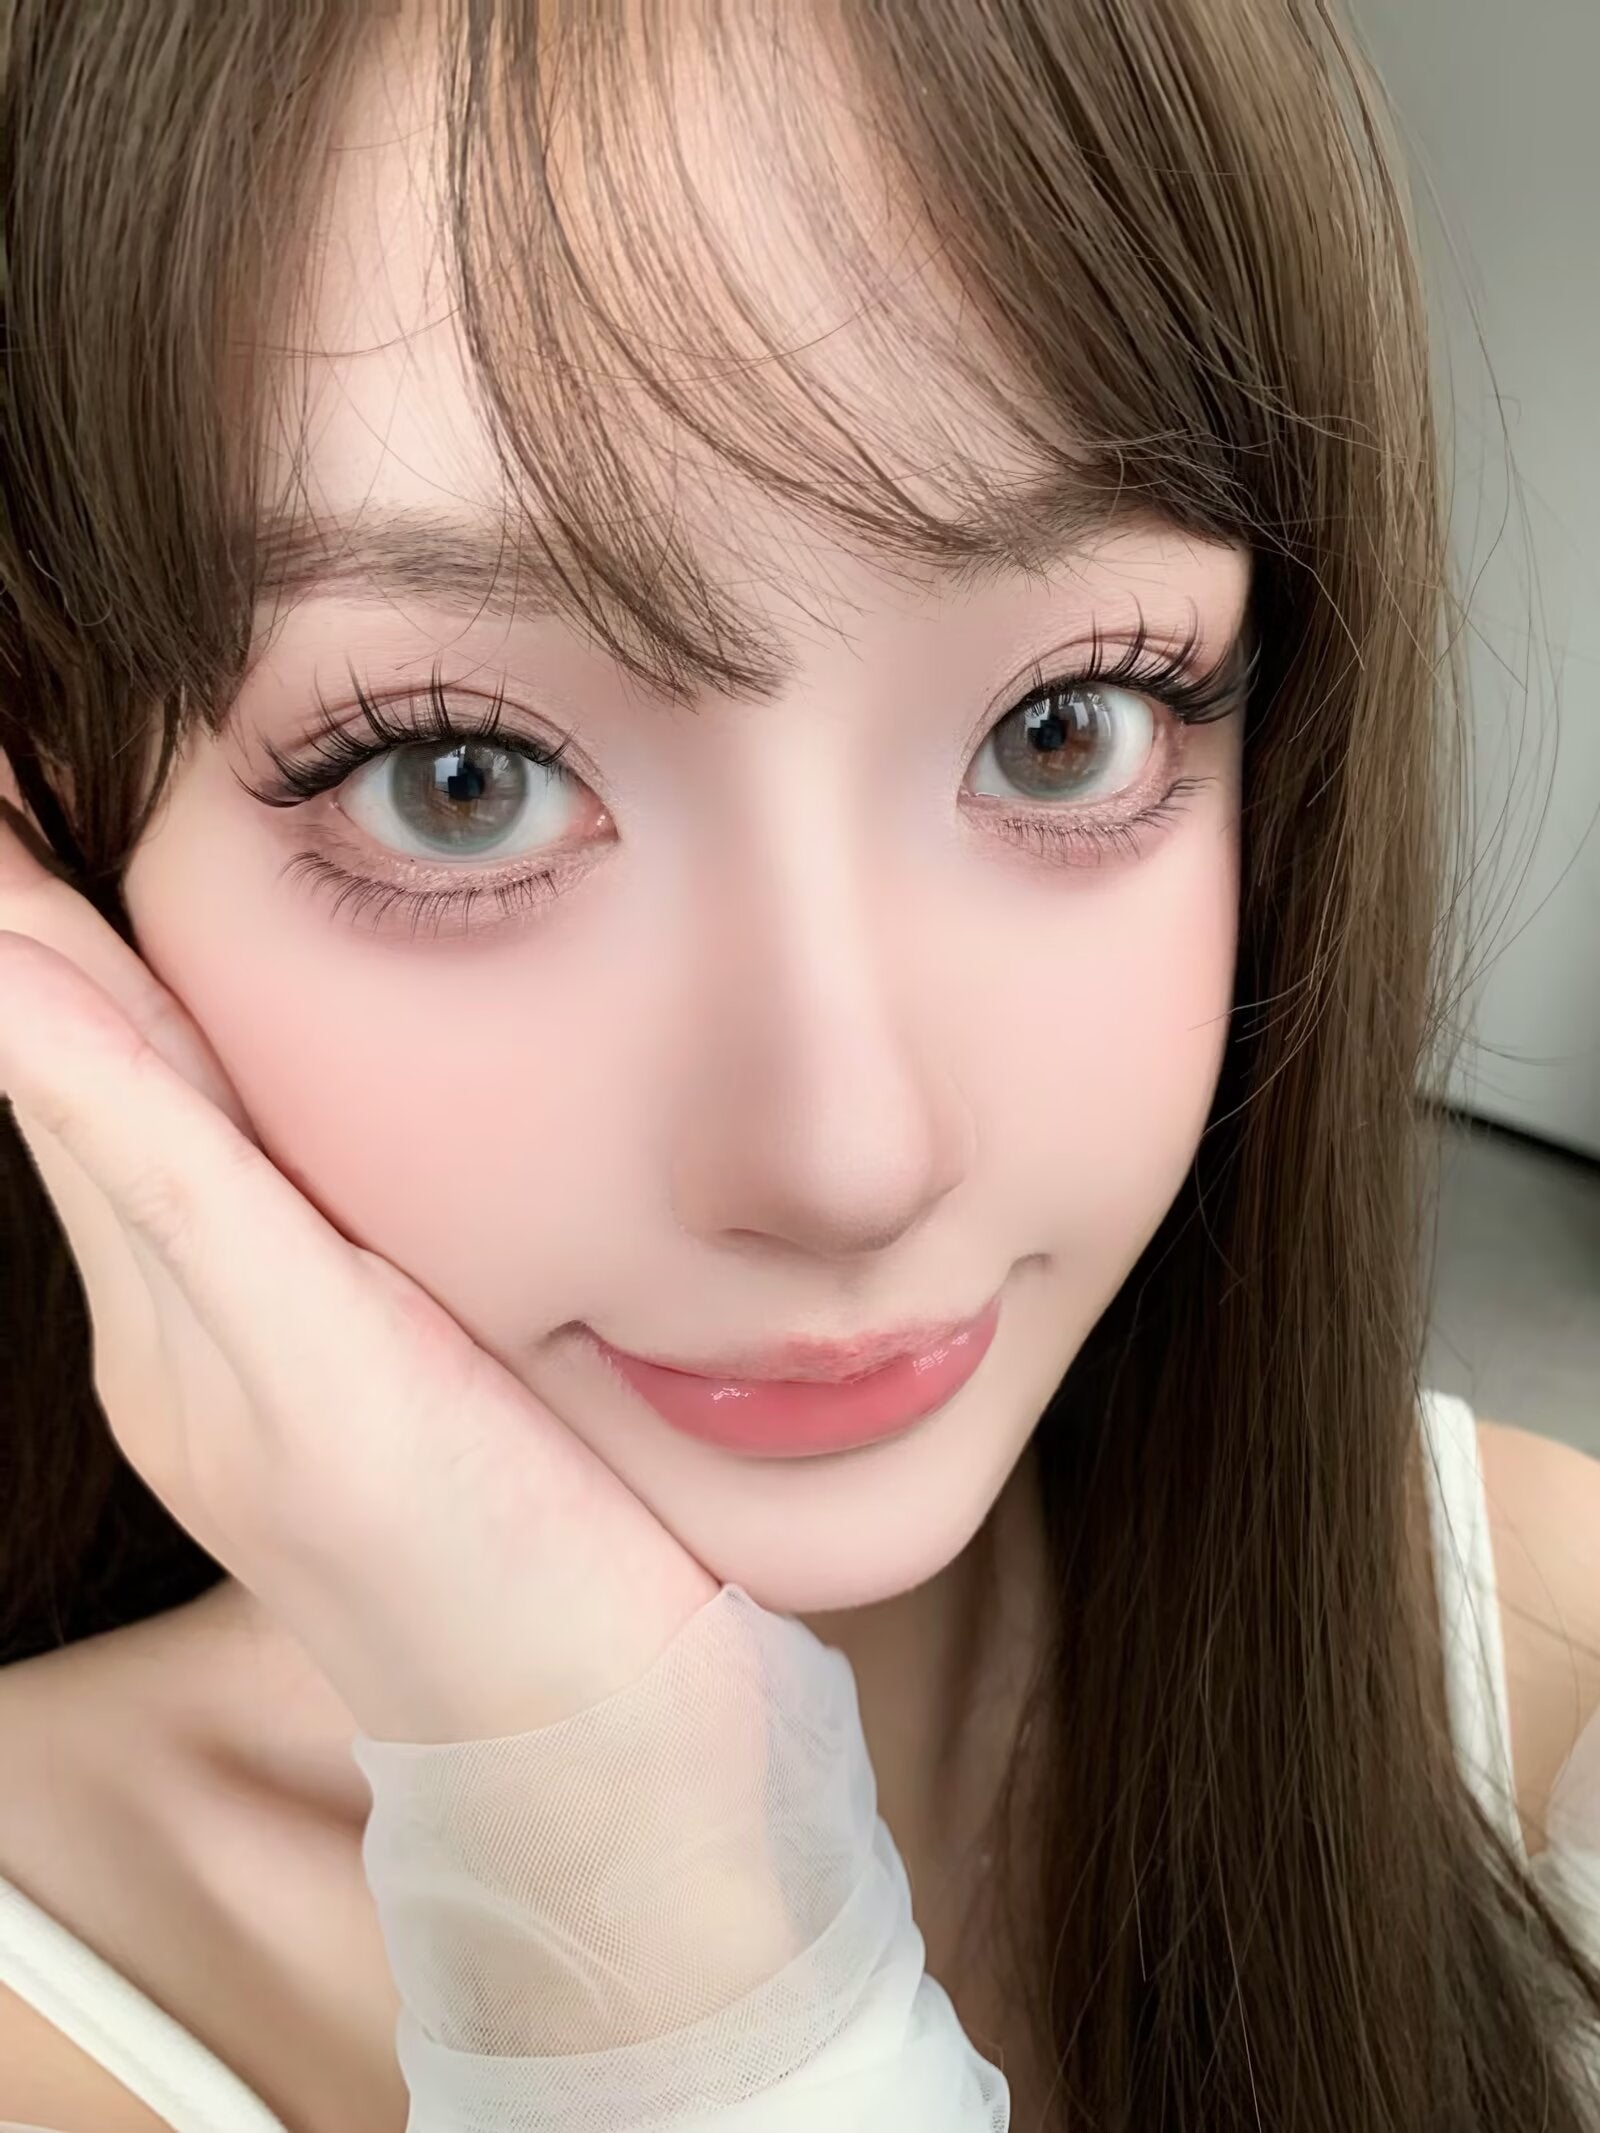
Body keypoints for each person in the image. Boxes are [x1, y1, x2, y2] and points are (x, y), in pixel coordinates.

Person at [2, 0, 1600, 2126]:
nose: (849, 1153)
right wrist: (617, 1876)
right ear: (53, 837)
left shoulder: (1552, 1650)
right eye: (457, 775)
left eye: (1064, 725)